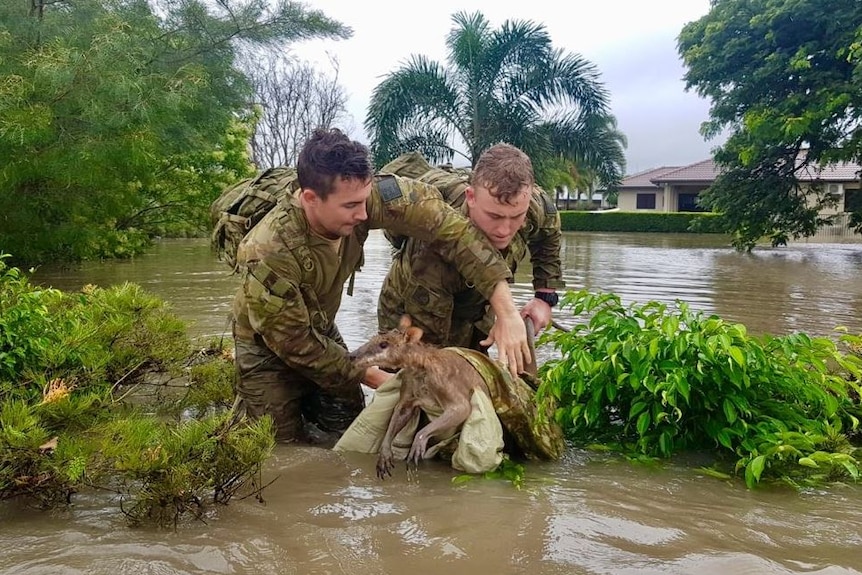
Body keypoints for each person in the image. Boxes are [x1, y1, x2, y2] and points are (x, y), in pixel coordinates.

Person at [230, 128, 530, 443]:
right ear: (310, 199)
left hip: (320, 325)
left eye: (365, 200)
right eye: (350, 207)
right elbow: (294, 342)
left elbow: (453, 231)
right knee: (278, 446)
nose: (363, 214)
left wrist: (506, 310)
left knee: (348, 425)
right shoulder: (268, 251)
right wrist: (372, 375)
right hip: (266, 346)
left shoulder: (365, 197)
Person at [377, 143, 565, 357]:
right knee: (416, 376)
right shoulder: (433, 238)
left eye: (515, 218)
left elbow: (549, 230)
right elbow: (429, 351)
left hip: (476, 308)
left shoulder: (533, 206)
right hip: (413, 309)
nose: (504, 230)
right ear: (471, 197)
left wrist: (544, 296)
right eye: (494, 216)